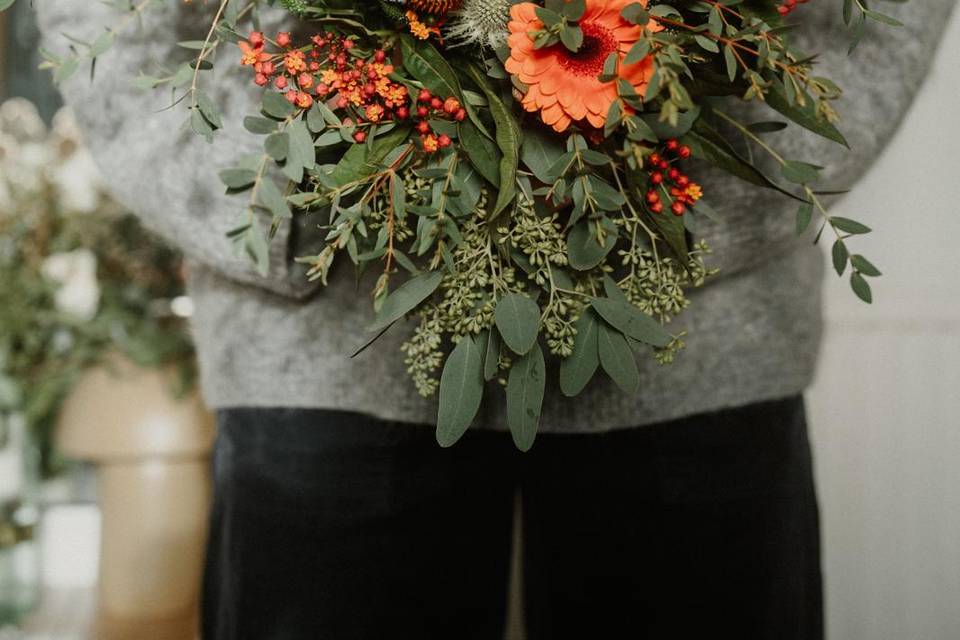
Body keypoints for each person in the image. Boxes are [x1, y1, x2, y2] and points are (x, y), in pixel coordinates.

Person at [36, 1, 953, 638]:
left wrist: (669, 199)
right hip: (326, 350)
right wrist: (309, 197)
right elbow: (107, 17)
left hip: (698, 341)